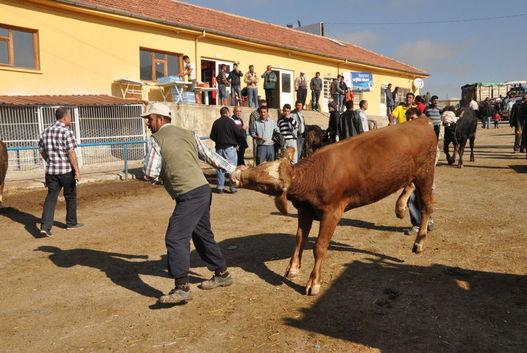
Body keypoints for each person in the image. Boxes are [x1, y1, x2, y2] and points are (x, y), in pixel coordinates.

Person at [142, 102, 235, 304]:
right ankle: (222, 274)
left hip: (189, 194)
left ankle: (182, 287)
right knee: (202, 234)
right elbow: (209, 155)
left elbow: (149, 172)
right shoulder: (188, 133)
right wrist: (231, 169)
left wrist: (161, 179)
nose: (148, 123)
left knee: (175, 237)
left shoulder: (157, 140)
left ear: (160, 118)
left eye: (149, 119)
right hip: (202, 190)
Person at [38, 107, 83, 237]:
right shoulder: (66, 132)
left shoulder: (45, 131)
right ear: (64, 118)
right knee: (70, 196)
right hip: (66, 171)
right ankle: (71, 223)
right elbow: (71, 153)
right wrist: (77, 170)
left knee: (51, 198)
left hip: (51, 171)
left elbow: (41, 150)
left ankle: (45, 227)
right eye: (69, 116)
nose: (71, 119)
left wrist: (50, 160)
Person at [403, 107, 435, 235]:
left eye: (413, 118)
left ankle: (427, 221)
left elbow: (433, 153)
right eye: (408, 118)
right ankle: (417, 223)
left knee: (424, 196)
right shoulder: (406, 132)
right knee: (412, 197)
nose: (410, 120)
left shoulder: (426, 132)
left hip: (425, 171)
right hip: (412, 171)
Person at [210, 106, 246, 194]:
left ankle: (220, 187)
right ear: (228, 113)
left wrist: (219, 141)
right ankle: (232, 188)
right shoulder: (231, 122)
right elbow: (238, 134)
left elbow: (212, 136)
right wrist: (243, 129)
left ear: (221, 113)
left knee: (220, 167)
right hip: (230, 148)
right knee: (232, 168)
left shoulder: (216, 122)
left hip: (219, 148)